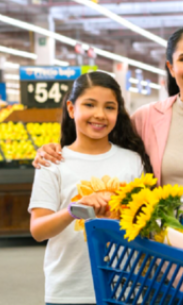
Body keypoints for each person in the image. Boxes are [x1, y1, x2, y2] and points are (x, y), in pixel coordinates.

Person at [34, 24, 183, 213]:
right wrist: (52, 150)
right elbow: (102, 150)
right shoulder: (145, 118)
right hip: (160, 238)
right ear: (171, 68)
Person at [28, 71, 150, 305]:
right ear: (72, 109)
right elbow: (38, 230)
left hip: (125, 289)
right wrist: (74, 210)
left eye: (109, 107)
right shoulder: (52, 163)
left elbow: (143, 223)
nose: (99, 115)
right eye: (90, 105)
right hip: (69, 290)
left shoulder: (133, 160)